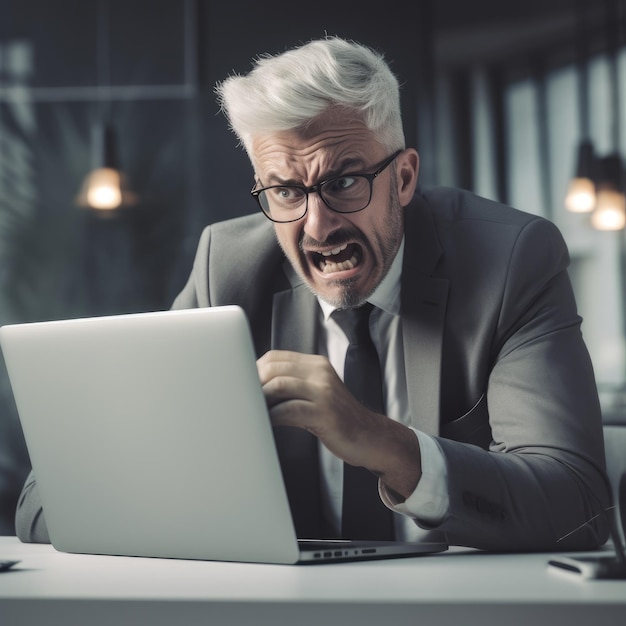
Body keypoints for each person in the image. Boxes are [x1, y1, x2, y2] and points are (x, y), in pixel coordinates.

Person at [16, 36, 611, 550]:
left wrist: (383, 443)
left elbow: (578, 506)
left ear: (403, 178)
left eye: (343, 181)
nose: (317, 225)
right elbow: (44, 500)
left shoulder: (512, 261)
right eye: (285, 191)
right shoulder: (227, 270)